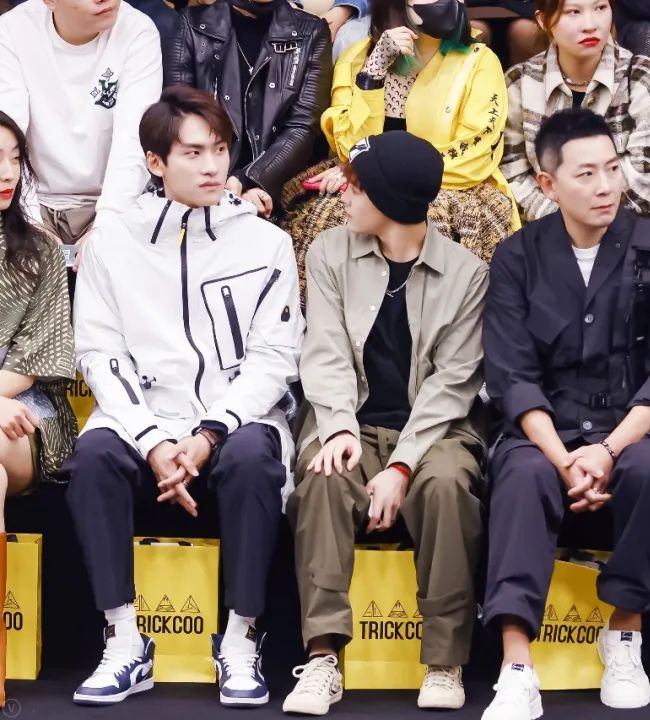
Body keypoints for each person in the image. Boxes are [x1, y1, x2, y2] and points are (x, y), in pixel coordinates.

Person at [63, 86, 303, 707]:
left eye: (220, 150)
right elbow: (99, 352)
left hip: (235, 416)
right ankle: (123, 640)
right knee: (93, 460)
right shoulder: (113, 241)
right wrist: (151, 440)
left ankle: (241, 639)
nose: (212, 166)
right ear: (155, 162)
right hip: (141, 415)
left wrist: (208, 433)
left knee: (252, 461)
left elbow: (275, 358)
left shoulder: (266, 242)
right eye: (193, 153)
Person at [481, 109, 650, 718]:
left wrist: (606, 450)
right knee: (522, 475)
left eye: (612, 168)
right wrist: (565, 459)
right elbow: (513, 378)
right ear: (548, 185)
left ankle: (624, 634)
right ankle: (516, 665)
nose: (605, 186)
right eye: (586, 174)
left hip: (632, 428)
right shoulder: (517, 257)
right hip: (545, 429)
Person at [283, 131, 488, 715]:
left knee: (446, 486)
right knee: (323, 477)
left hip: (436, 431)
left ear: (391, 201)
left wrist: (401, 466)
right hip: (349, 419)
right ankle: (323, 657)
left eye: (356, 186)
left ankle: (444, 661)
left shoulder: (467, 274)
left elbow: (453, 383)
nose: (342, 195)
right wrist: (338, 428)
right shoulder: (328, 251)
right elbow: (324, 351)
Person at [311, 0, 518, 264]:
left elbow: (476, 152)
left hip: (454, 185)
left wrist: (384, 174)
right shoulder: (356, 59)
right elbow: (351, 144)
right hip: (367, 180)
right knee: (328, 217)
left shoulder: (480, 60)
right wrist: (373, 73)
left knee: (431, 222)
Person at [501, 0, 650, 244]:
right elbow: (512, 175)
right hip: (550, 237)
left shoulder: (641, 76)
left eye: (600, 8)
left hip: (637, 233)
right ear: (544, 20)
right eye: (574, 12)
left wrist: (583, 221)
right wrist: (565, 227)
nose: (590, 24)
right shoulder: (519, 84)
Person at [0, 0, 162, 260]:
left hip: (108, 201)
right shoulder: (13, 30)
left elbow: (133, 141)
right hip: (33, 200)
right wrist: (32, 222)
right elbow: (9, 135)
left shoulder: (137, 31)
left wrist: (108, 221)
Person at [166, 0, 333, 216]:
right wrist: (220, 182)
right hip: (202, 180)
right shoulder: (193, 24)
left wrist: (246, 179)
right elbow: (179, 116)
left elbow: (302, 128)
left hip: (275, 186)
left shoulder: (310, 32)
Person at [0, 111, 77, 523]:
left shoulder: (40, 250)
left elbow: (31, 362)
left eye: (15, 158)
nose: (8, 173)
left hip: (22, 411)